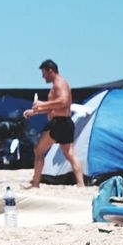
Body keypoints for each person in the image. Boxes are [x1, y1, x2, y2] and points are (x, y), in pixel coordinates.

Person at [23, 59, 85, 188]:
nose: (43, 76)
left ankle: (35, 182)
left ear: (50, 71)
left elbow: (63, 101)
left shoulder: (59, 83)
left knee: (39, 151)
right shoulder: (58, 84)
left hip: (58, 123)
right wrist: (34, 111)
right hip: (65, 122)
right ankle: (81, 184)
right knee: (70, 154)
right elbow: (55, 107)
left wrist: (41, 104)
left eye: (44, 73)